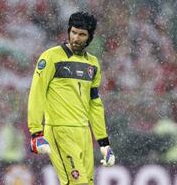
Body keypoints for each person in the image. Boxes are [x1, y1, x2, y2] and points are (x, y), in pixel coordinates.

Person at [27, 11, 115, 185]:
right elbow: (37, 94)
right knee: (76, 182)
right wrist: (36, 132)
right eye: (73, 32)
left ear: (90, 38)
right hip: (60, 131)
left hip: (84, 132)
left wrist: (104, 143)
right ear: (68, 31)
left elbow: (94, 104)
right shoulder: (50, 57)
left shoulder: (93, 64)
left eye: (82, 34)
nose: (76, 38)